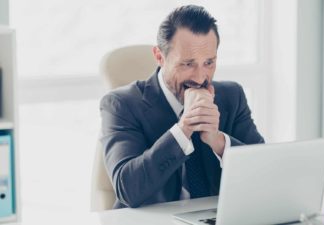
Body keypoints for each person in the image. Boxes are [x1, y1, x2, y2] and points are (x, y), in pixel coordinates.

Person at [100, 5, 265, 209]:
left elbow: (263, 173)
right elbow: (129, 190)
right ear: (160, 57)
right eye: (187, 64)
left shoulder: (231, 97)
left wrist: (218, 141)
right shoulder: (121, 104)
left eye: (209, 63)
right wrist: (184, 129)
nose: (200, 77)